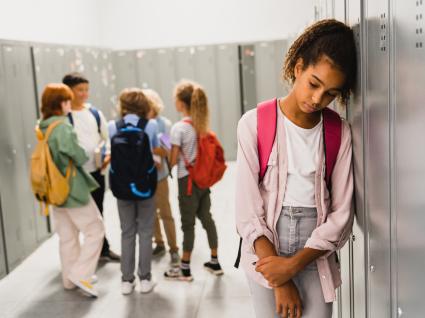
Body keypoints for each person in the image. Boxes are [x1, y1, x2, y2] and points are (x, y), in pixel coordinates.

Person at [235, 19, 357, 318]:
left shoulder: (338, 132)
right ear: (298, 67)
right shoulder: (254, 123)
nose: (317, 99)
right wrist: (280, 277)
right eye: (314, 84)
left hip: (316, 253)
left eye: (330, 93)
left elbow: (341, 214)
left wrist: (292, 265)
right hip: (265, 248)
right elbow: (248, 211)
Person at [38, 83, 105, 297]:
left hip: (53, 189)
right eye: (67, 100)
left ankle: (69, 279)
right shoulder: (63, 127)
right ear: (61, 103)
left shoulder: (43, 126)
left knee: (67, 236)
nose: (71, 103)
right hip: (72, 188)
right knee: (95, 229)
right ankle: (81, 273)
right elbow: (78, 155)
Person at [108, 88, 167, 295]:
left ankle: (126, 280)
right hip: (145, 186)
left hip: (121, 186)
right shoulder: (150, 125)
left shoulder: (112, 126)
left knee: (127, 232)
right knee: (145, 232)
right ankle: (145, 279)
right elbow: (156, 150)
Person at [164, 80, 223, 282]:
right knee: (207, 219)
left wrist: (165, 152)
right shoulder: (202, 125)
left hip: (186, 181)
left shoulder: (179, 128)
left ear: (181, 103)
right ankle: (215, 261)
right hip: (203, 181)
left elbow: (172, 161)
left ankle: (185, 269)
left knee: (187, 225)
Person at [62, 72, 120, 262]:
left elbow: (106, 137)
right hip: (75, 175)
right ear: (68, 91)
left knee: (98, 212)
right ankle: (81, 256)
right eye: (80, 90)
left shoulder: (94, 113)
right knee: (77, 218)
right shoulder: (64, 117)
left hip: (96, 172)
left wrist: (108, 154)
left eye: (86, 89)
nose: (84, 93)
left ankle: (103, 250)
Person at [143, 89, 180, 266]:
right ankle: (159, 243)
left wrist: (147, 149)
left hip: (160, 176)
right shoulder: (140, 123)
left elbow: (166, 149)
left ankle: (174, 249)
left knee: (165, 212)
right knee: (150, 213)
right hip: (144, 175)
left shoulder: (163, 124)